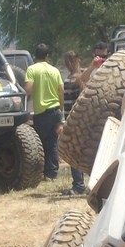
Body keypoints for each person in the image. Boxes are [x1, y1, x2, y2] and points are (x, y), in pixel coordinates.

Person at [25, 44, 64, 180]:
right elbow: (61, 91)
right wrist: (61, 110)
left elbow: (28, 89)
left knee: (40, 143)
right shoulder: (55, 70)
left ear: (35, 56)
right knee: (52, 143)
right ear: (47, 56)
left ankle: (41, 173)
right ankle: (52, 173)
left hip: (41, 112)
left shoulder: (32, 69)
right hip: (55, 111)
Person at [61, 50, 87, 195]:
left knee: (73, 152)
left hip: (73, 120)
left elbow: (67, 105)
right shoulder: (82, 78)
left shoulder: (70, 80)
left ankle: (78, 185)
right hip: (83, 120)